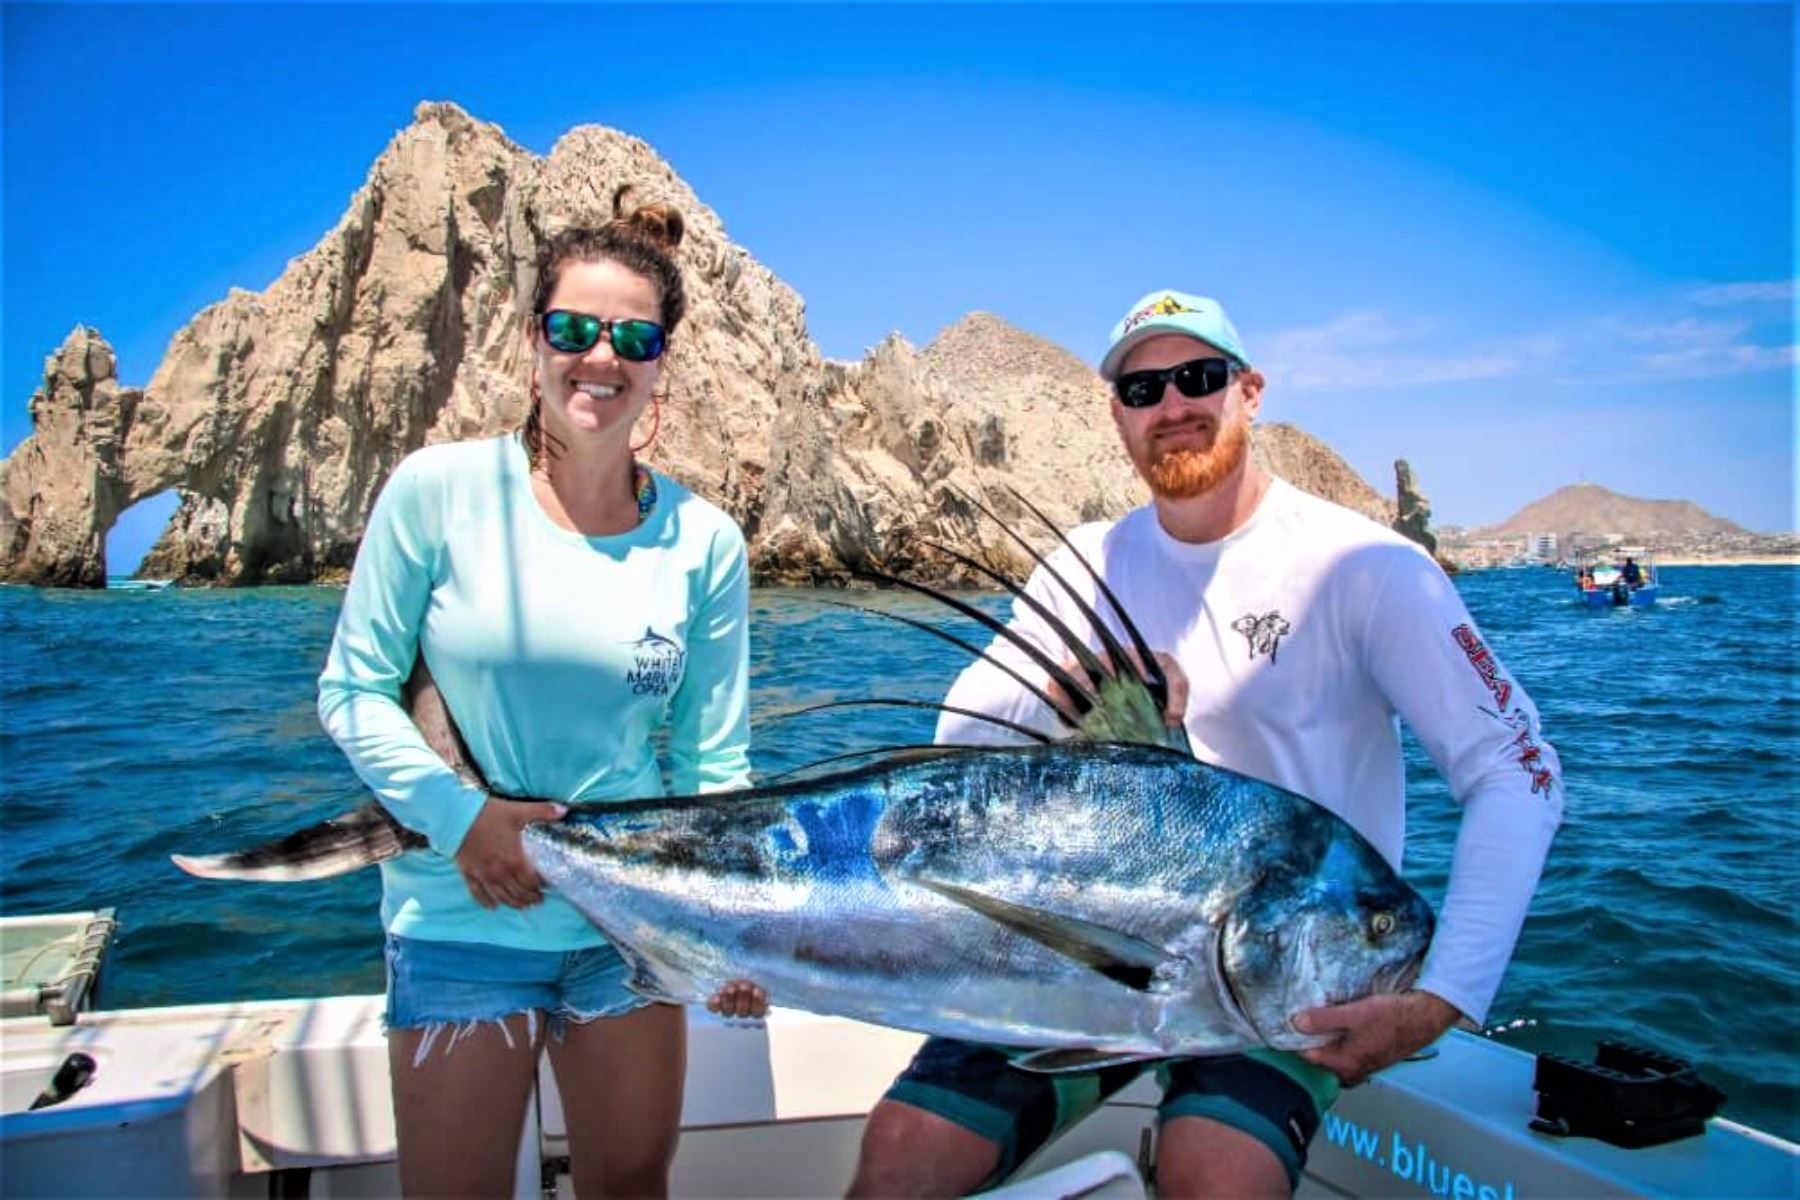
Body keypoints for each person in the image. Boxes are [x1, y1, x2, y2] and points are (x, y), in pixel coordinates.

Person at [848, 290, 1564, 1199]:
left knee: (1216, 1174)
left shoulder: (1368, 568)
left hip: (1285, 976)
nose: (1173, 405)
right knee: (901, 1153)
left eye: (1199, 377)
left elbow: (1518, 771)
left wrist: (1442, 999)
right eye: (1143, 389)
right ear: (1117, 414)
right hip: (1093, 952)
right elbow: (957, 745)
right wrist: (1062, 681)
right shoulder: (1086, 565)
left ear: (1250, 392)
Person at [318, 195, 765, 1198]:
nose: (601, 357)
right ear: (533, 343)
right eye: (573, 329)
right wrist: (463, 824)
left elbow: (712, 766)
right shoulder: (436, 492)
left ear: (661, 363)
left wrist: (725, 926)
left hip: (631, 928)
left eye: (634, 338)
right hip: (459, 919)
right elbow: (353, 689)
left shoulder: (705, 544)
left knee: (632, 1187)